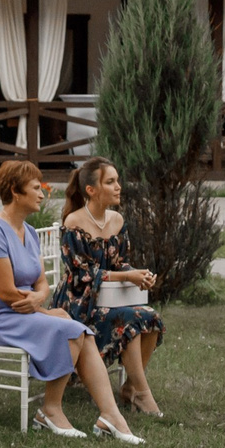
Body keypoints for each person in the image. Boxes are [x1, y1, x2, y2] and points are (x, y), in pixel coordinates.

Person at [0, 162, 144, 443]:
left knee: (78, 330)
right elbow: (8, 295)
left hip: (24, 311)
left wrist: (40, 297)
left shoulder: (30, 232)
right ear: (15, 192)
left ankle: (111, 416)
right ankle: (50, 410)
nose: (42, 194)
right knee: (70, 329)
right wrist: (42, 306)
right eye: (36, 188)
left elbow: (41, 283)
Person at [59, 159, 168, 418]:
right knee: (129, 320)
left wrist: (138, 275)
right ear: (91, 190)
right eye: (110, 182)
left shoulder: (117, 220)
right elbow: (82, 274)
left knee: (151, 317)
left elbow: (120, 263)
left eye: (117, 181)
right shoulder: (74, 222)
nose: (118, 187)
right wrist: (125, 275)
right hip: (78, 302)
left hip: (110, 299)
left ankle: (131, 386)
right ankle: (142, 394)